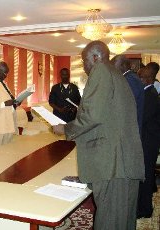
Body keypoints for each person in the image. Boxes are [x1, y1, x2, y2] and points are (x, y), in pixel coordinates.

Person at [53, 41, 145, 229]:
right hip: (122, 162)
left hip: (112, 164)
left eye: (84, 60)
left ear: (95, 57)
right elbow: (106, 115)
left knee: (109, 221)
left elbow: (92, 115)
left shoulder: (101, 71)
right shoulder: (116, 74)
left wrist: (65, 129)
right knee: (123, 220)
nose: (84, 65)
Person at [137, 66, 160, 218]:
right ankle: (144, 206)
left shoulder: (150, 95)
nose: (139, 79)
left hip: (148, 143)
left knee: (145, 177)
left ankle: (145, 210)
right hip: (147, 142)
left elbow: (141, 119)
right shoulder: (147, 93)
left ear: (149, 79)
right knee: (145, 175)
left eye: (141, 77)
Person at [111, 54, 145, 134]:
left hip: (129, 131)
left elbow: (125, 105)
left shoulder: (130, 80)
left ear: (123, 65)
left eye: (113, 66)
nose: (112, 69)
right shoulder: (130, 78)